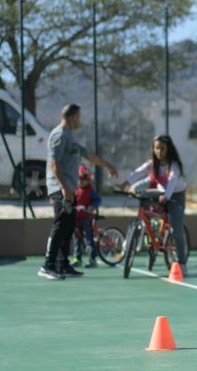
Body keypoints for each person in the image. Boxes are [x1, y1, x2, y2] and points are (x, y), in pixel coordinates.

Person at [39, 103, 118, 280]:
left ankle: (62, 264)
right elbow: (53, 164)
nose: (80, 120)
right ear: (72, 116)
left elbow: (87, 155)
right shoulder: (59, 135)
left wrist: (108, 165)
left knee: (68, 227)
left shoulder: (70, 137)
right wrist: (65, 189)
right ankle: (47, 265)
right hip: (61, 190)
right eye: (78, 117)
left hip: (69, 191)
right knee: (60, 226)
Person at [119, 134, 189, 276]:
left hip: (175, 195)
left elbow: (172, 180)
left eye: (162, 148)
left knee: (177, 229)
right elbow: (139, 172)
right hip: (161, 192)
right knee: (145, 206)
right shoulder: (153, 164)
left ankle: (182, 262)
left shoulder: (173, 165)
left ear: (168, 149)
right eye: (156, 148)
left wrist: (167, 196)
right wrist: (127, 183)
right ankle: (152, 238)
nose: (159, 151)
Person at [71, 165, 102, 269]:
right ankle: (77, 259)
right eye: (79, 179)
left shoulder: (90, 190)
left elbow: (98, 200)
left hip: (86, 219)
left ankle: (92, 259)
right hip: (76, 219)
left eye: (84, 179)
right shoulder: (75, 190)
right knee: (76, 239)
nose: (82, 182)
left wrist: (91, 207)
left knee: (88, 239)